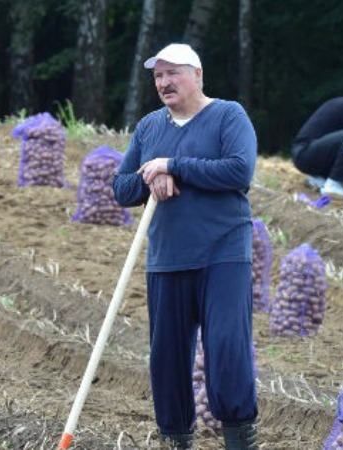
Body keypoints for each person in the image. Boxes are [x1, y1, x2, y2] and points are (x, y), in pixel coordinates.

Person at [112, 43, 258, 450]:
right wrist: (151, 174)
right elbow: (121, 188)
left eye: (172, 72)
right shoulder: (149, 127)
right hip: (167, 259)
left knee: (227, 349)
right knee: (167, 359)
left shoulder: (228, 115)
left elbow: (238, 170)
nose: (163, 82)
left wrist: (173, 165)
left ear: (197, 74)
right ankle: (175, 440)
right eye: (158, 75)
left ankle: (240, 440)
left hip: (223, 253)